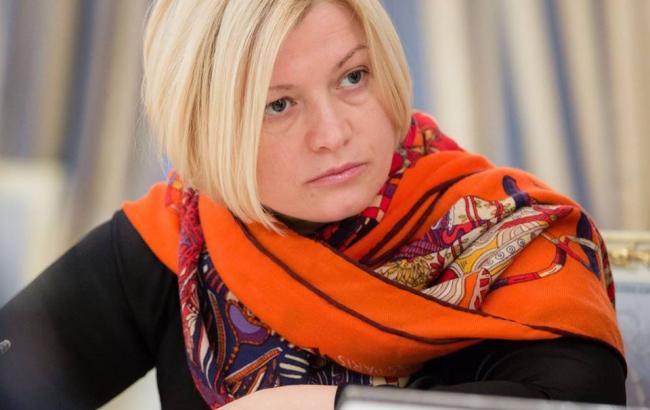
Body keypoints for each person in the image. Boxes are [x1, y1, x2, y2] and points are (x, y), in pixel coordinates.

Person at [0, 0, 626, 409]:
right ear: (205, 127)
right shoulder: (178, 236)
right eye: (279, 104)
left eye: (353, 77)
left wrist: (325, 405)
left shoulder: (506, 231)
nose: (333, 133)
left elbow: (577, 400)